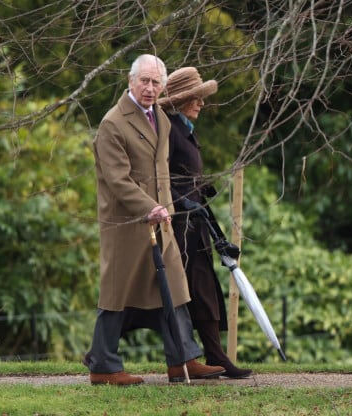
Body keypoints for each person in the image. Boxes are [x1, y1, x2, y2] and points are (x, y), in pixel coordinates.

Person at [82, 55, 225, 386]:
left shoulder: (159, 115)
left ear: (162, 86)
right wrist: (150, 207)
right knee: (116, 295)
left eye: (155, 82)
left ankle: (183, 361)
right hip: (126, 226)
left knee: (174, 287)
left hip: (161, 221)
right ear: (130, 81)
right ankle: (103, 366)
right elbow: (118, 181)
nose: (150, 88)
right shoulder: (113, 123)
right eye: (144, 81)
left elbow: (161, 173)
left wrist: (166, 209)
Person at [157, 67, 253, 378]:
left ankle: (214, 355)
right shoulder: (169, 131)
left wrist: (202, 189)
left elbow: (185, 175)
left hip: (196, 223)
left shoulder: (184, 129)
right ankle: (102, 355)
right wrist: (181, 199)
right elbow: (159, 178)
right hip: (180, 226)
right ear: (182, 100)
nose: (201, 103)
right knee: (191, 289)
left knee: (204, 287)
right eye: (196, 98)